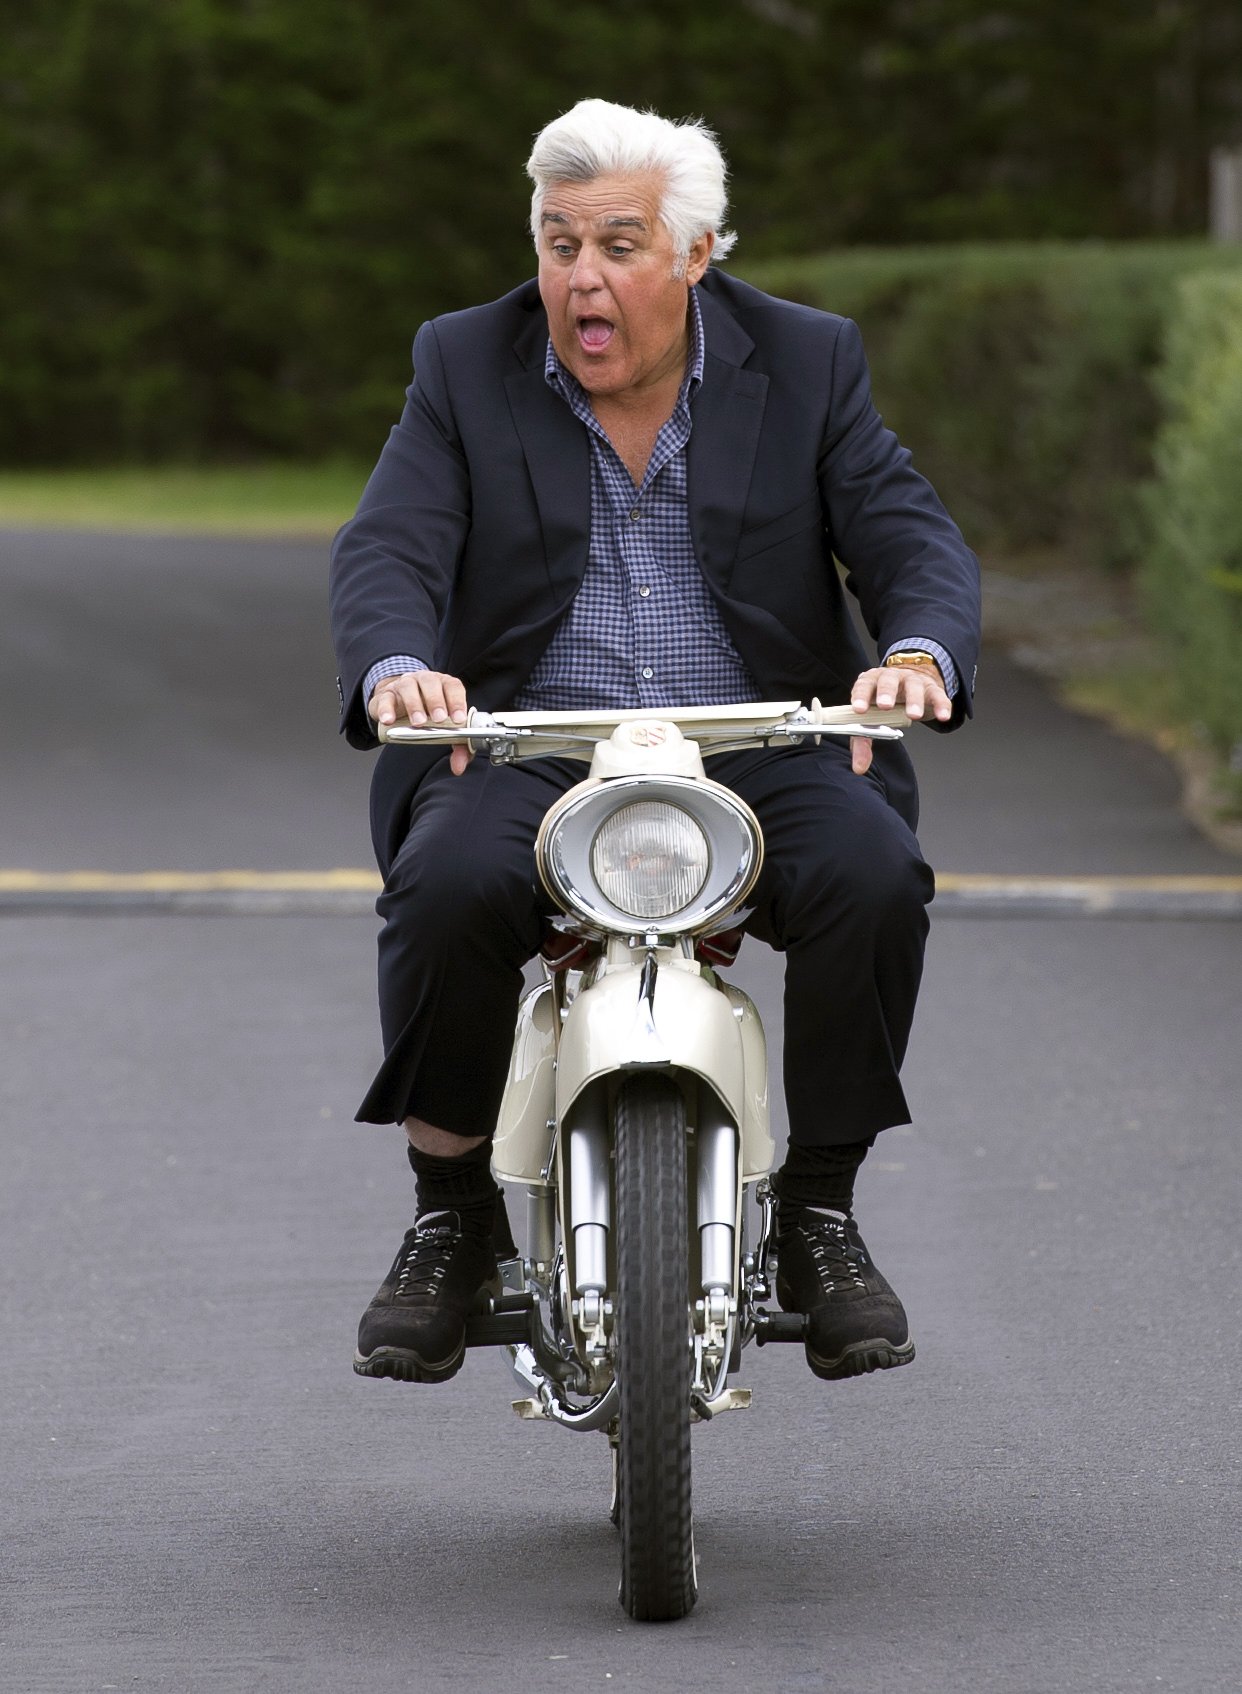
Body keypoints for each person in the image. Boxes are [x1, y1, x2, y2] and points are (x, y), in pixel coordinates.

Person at [330, 98, 981, 1389]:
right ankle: (447, 1214)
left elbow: (908, 534)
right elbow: (391, 541)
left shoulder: (807, 359)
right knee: (449, 883)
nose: (581, 275)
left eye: (617, 244)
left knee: (870, 875)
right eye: (558, 241)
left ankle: (821, 1213)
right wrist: (402, 668)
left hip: (760, 740)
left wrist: (915, 652)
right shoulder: (464, 360)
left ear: (695, 253)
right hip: (525, 745)